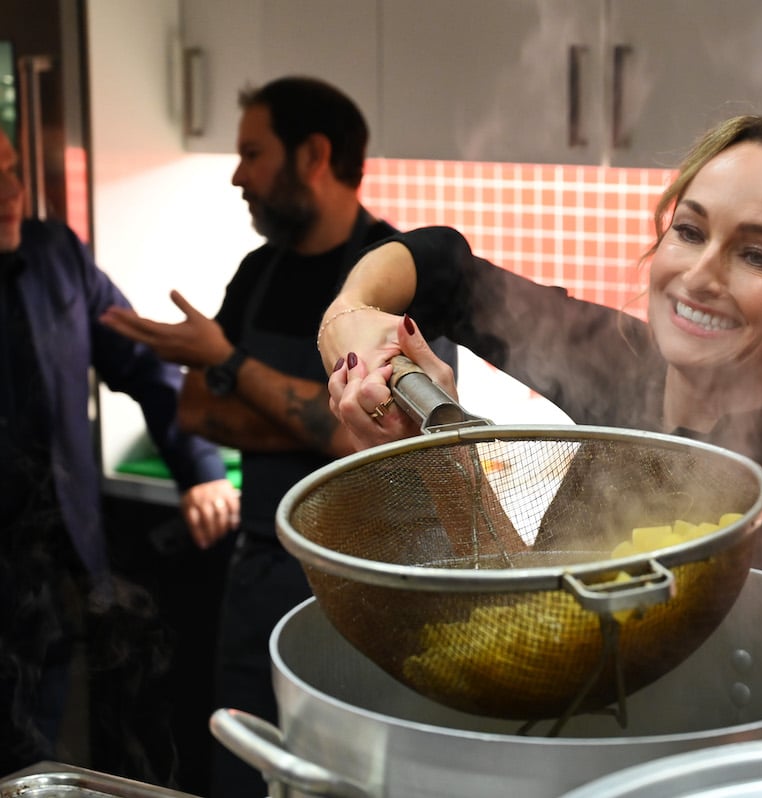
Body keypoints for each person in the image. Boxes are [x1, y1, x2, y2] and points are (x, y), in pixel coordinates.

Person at [317, 115, 762, 599]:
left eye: (758, 255)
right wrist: (347, 316)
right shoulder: (626, 361)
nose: (697, 275)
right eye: (689, 230)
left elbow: (578, 662)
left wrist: (448, 463)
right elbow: (443, 267)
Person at [98, 75, 456, 797]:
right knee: (246, 772)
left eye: (253, 153)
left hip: (367, 595)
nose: (238, 175)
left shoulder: (395, 281)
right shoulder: (259, 273)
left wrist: (232, 364)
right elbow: (200, 412)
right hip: (258, 581)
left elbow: (385, 435)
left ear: (314, 155)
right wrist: (312, 422)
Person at [0, 128, 239, 776]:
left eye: (14, 170)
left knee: (42, 751)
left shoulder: (59, 259)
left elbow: (147, 366)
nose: (12, 192)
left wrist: (200, 468)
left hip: (57, 567)